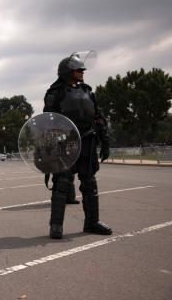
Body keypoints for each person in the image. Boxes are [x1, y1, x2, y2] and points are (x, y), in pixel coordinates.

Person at [44, 52, 112, 239]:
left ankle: (92, 222)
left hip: (88, 142)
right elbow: (48, 122)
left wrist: (105, 141)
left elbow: (98, 117)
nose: (82, 71)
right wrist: (50, 148)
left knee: (90, 183)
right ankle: (56, 225)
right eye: (78, 69)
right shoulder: (54, 93)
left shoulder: (88, 91)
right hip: (65, 144)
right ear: (67, 71)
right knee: (62, 184)